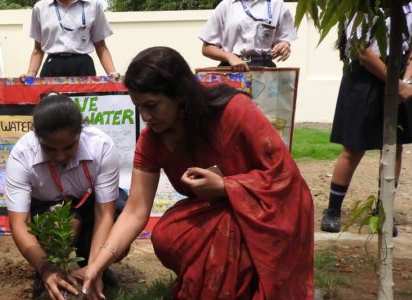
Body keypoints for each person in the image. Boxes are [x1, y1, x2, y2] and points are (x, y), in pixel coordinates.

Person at [80, 47, 314, 299]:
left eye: (153, 106)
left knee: (227, 233)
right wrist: (96, 267)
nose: (146, 117)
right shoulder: (151, 141)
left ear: (179, 94)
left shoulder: (235, 111)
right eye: (139, 107)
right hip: (219, 212)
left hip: (273, 209)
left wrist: (226, 187)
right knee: (168, 235)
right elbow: (135, 210)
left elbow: (285, 177)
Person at [4, 94, 126, 299]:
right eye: (49, 148)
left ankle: (93, 268)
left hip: (90, 204)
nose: (60, 156)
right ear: (37, 137)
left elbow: (105, 213)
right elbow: (20, 223)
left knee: (118, 236)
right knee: (59, 228)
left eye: (69, 146)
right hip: (47, 208)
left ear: (80, 133)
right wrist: (45, 267)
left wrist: (97, 267)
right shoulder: (21, 155)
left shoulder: (101, 147)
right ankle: (49, 272)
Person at [321, 9, 412, 236]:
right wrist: (395, 82)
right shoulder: (365, 6)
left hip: (400, 79)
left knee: (394, 145)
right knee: (353, 147)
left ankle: (383, 211)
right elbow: (360, 49)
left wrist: (406, 81)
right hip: (365, 77)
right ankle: (333, 210)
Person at [21, 0, 120, 80]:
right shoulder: (40, 7)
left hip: (83, 67)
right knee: (52, 104)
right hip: (53, 67)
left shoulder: (94, 5)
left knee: (83, 104)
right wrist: (30, 75)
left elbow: (100, 45)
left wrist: (112, 74)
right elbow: (38, 49)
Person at [199, 0, 297, 71]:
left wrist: (285, 45)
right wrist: (230, 57)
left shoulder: (277, 4)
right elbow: (207, 48)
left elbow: (284, 40)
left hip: (264, 69)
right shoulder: (226, 5)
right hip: (231, 68)